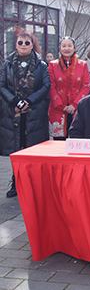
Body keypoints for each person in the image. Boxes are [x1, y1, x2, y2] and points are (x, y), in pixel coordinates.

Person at [0, 31, 50, 198]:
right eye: (20, 42)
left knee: (32, 148)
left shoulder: (41, 65)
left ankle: (32, 182)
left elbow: (45, 86)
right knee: (16, 147)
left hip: (34, 112)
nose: (23, 45)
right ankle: (16, 181)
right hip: (12, 112)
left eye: (27, 43)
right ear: (16, 44)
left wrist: (29, 100)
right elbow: (1, 85)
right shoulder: (7, 63)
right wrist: (14, 101)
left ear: (32, 45)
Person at [48, 36, 90, 140]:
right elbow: (50, 86)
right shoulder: (52, 65)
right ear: (60, 48)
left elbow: (86, 86)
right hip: (57, 108)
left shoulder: (82, 65)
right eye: (64, 46)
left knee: (78, 140)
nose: (66, 48)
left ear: (74, 48)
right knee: (59, 143)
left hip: (78, 109)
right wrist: (61, 106)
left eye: (69, 46)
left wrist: (74, 105)